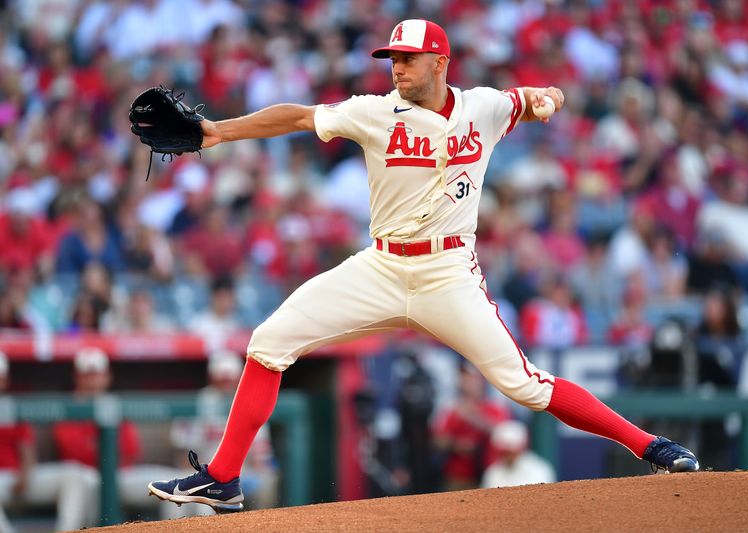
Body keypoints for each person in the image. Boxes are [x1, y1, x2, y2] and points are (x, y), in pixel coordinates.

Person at [148, 19, 699, 513]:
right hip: (380, 268)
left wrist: (548, 97)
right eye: (392, 59)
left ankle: (650, 446)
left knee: (524, 385)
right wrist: (219, 130)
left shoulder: (482, 106)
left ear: (440, 61)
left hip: (449, 274)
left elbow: (527, 101)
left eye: (407, 59)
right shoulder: (372, 111)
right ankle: (223, 478)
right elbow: (296, 116)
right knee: (268, 342)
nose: (397, 68)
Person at [52, 347, 186, 520]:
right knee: (85, 481)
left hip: (122, 475)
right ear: (77, 377)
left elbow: (131, 450)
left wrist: (99, 449)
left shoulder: (113, 404)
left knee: (175, 485)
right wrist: (107, 451)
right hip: (87, 476)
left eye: (97, 374)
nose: (93, 381)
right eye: (87, 375)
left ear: (107, 377)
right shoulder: (69, 408)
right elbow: (75, 453)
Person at [0, 351, 99, 532]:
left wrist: (25, 471)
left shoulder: (12, 407)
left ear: (5, 380)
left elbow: (26, 450)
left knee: (74, 474)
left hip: (15, 479)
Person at [169, 351, 278, 510]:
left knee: (268, 480)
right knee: (201, 502)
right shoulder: (198, 403)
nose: (227, 385)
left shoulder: (252, 404)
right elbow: (183, 454)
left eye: (231, 380)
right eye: (222, 380)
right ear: (212, 378)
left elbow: (262, 457)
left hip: (242, 473)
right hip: (205, 472)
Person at [434, 364, 510, 491]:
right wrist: (456, 445)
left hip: (489, 474)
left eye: (470, 379)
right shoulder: (452, 408)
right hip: (458, 476)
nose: (466, 383)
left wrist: (474, 418)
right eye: (463, 379)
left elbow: (504, 433)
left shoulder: (494, 407)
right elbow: (437, 441)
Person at [481, 420, 555, 488]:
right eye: (503, 452)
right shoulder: (493, 472)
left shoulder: (539, 469)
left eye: (510, 451)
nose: (507, 455)